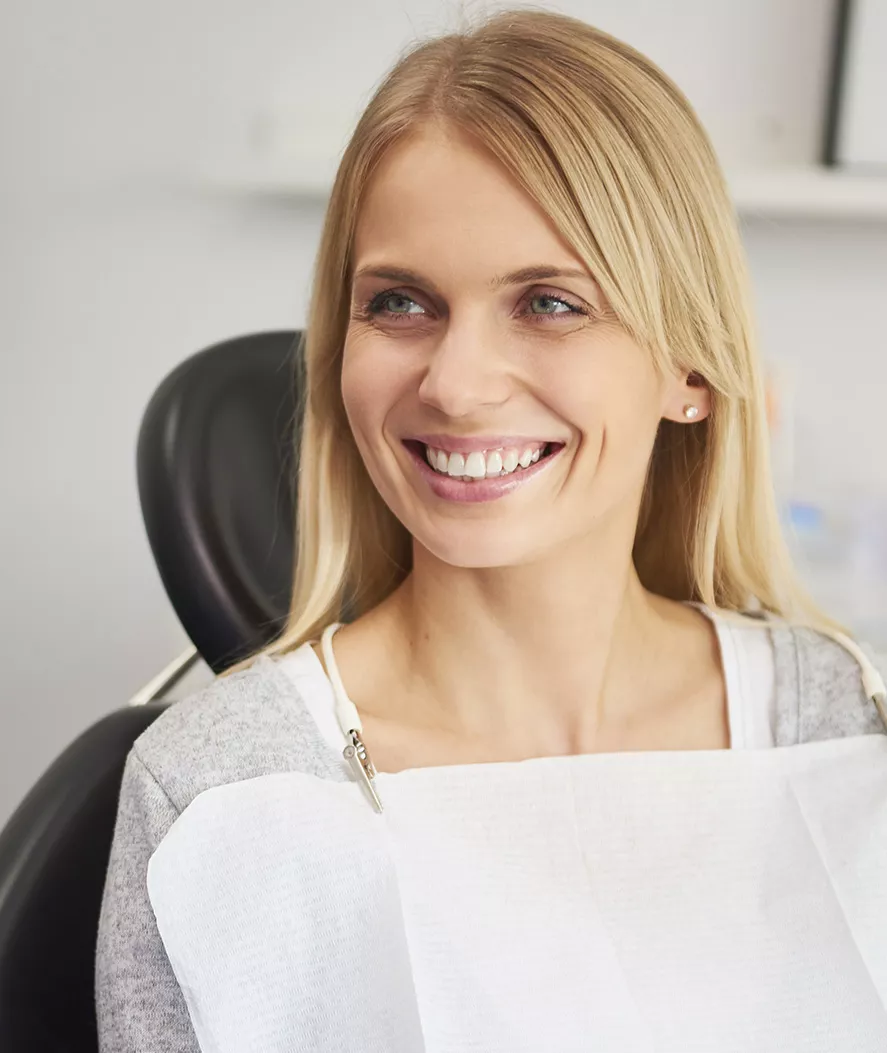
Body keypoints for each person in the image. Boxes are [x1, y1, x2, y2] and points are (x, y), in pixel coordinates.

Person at [95, 8, 887, 1052]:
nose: (457, 386)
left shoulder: (840, 725)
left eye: (550, 303)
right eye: (400, 303)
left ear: (687, 370)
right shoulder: (220, 792)